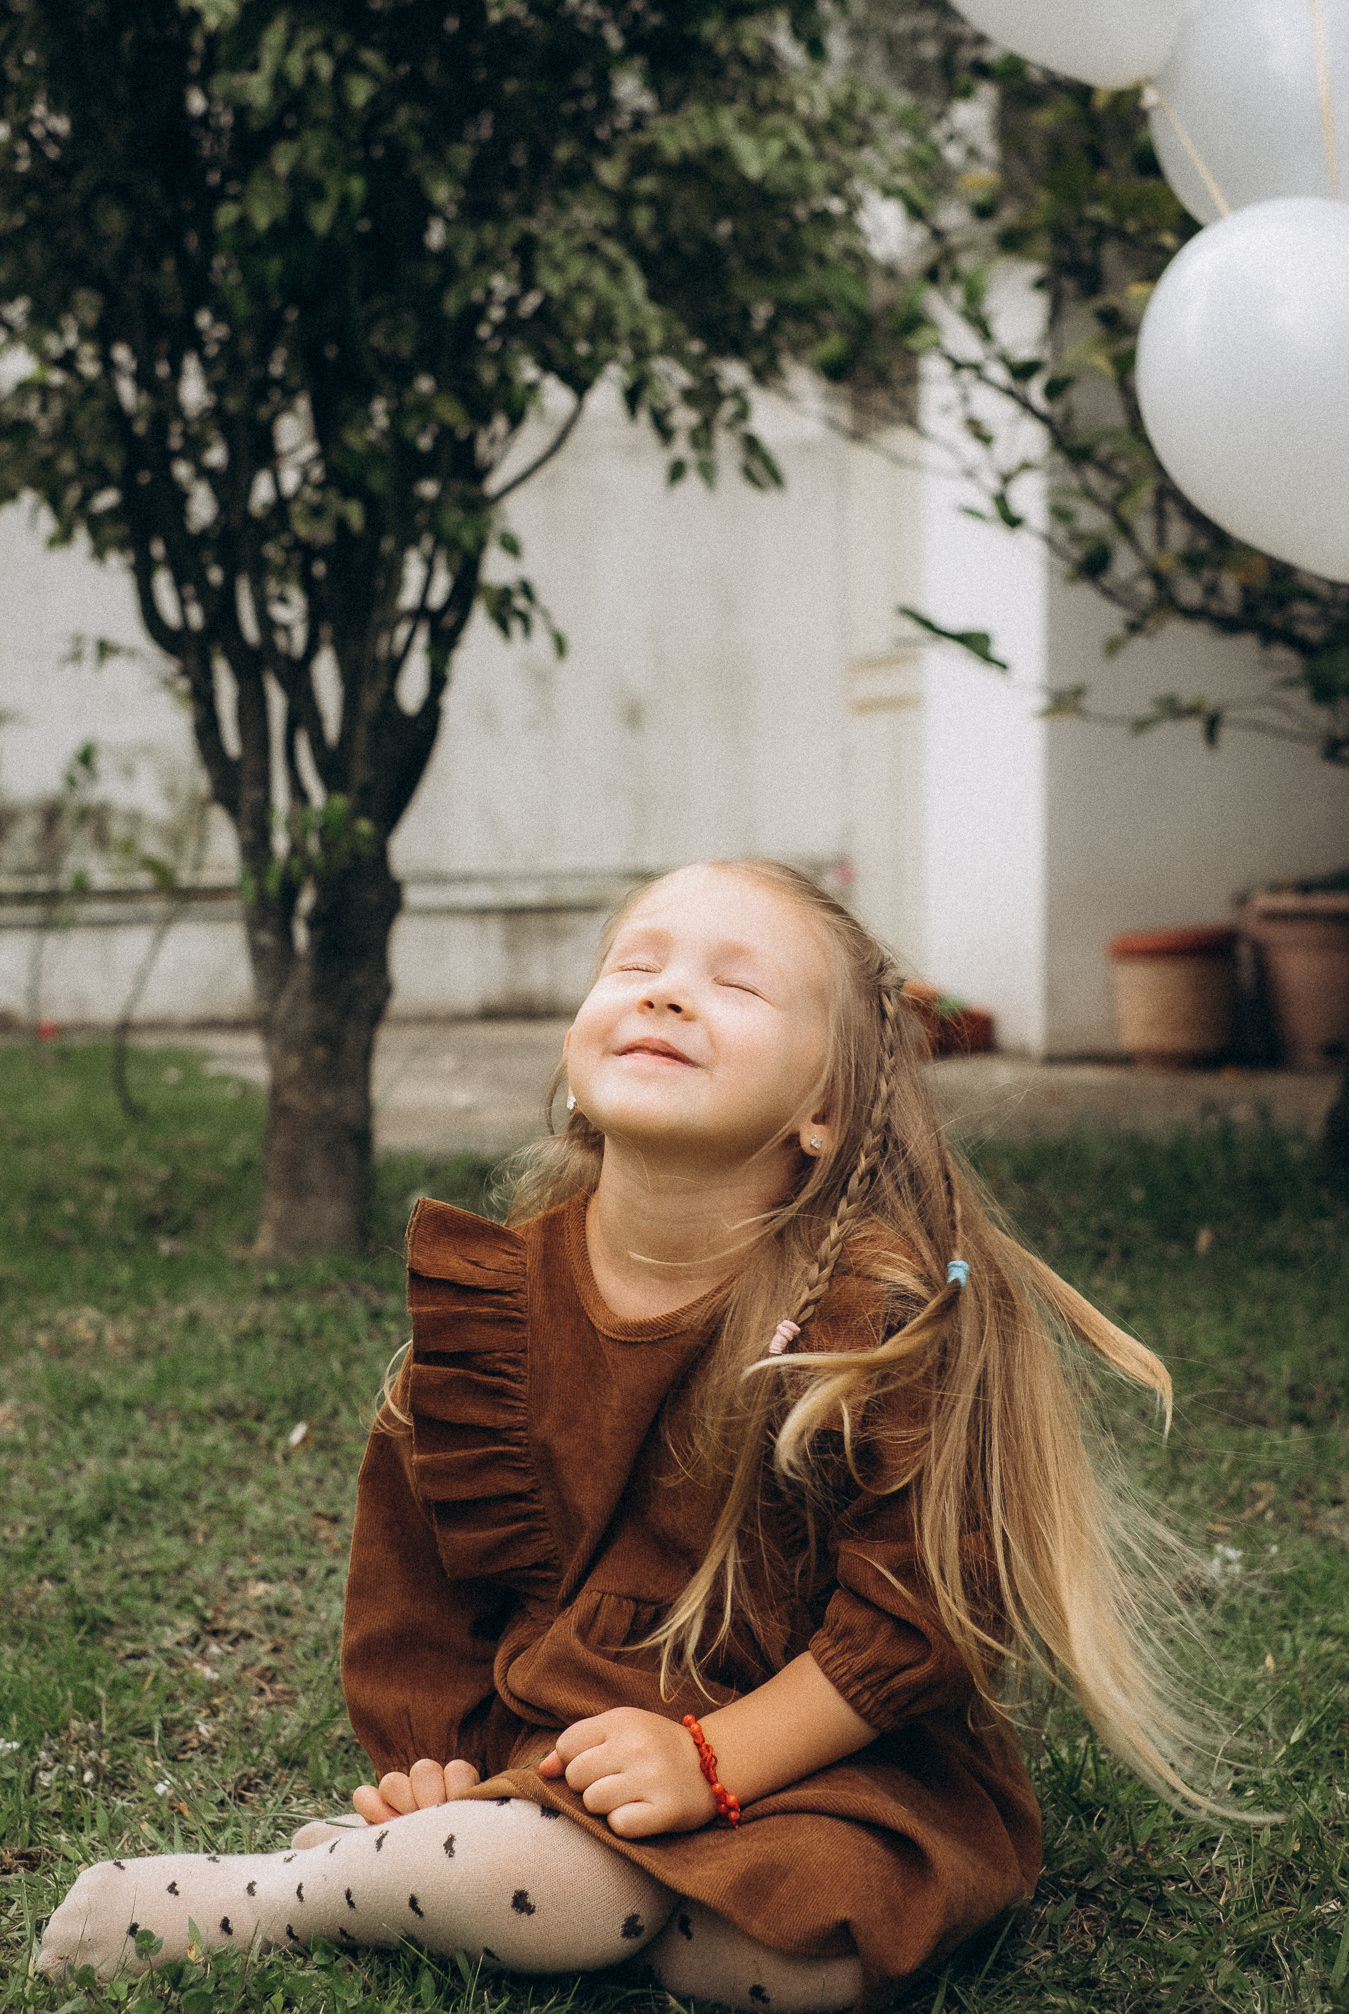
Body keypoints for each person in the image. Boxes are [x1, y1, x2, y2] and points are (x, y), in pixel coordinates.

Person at [40, 860, 1228, 2010]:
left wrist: (713, 1764)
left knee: (813, 1954)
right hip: (572, 1753)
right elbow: (420, 1577)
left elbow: (914, 1624)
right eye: (636, 964)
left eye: (737, 982)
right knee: (549, 1881)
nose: (664, 990)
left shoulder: (869, 1326)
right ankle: (269, 1896)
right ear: (574, 1049)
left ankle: (463, 1880)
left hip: (830, 1764)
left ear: (827, 1109)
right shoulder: (500, 1305)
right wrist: (432, 1750)